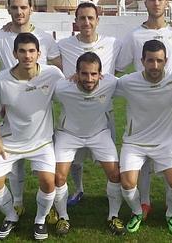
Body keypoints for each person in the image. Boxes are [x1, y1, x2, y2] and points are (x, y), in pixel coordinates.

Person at [115, 0, 172, 220]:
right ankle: (144, 202)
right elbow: (117, 68)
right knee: (142, 162)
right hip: (140, 106)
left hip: (170, 106)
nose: (156, 3)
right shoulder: (135, 35)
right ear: (145, 2)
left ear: (166, 2)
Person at [0, 0, 61, 217]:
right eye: (14, 7)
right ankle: (17, 202)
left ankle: (49, 207)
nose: (19, 12)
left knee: (45, 160)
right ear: (8, 10)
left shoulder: (45, 37)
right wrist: (1, 101)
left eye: (23, 7)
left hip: (38, 104)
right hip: (10, 103)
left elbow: (58, 68)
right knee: (14, 161)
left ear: (31, 9)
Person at [0, 33, 64, 240]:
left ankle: (40, 220)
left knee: (48, 182)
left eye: (31, 51)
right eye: (22, 51)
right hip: (9, 142)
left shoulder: (53, 74)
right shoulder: (1, 79)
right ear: (14, 54)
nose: (27, 56)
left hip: (42, 142)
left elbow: (69, 93)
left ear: (39, 53)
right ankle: (11, 216)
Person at [116, 40, 172, 235]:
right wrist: (76, 78)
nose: (154, 66)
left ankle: (171, 214)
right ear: (142, 61)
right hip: (134, 143)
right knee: (128, 183)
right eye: (150, 60)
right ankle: (137, 212)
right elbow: (101, 83)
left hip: (165, 142)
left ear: (166, 61)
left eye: (159, 61)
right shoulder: (128, 82)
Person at [51, 52, 124, 236]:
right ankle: (63, 217)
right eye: (84, 74)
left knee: (115, 174)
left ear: (101, 74)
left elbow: (137, 84)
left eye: (93, 74)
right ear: (76, 73)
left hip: (99, 134)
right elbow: (38, 96)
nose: (89, 79)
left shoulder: (111, 83)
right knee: (59, 177)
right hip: (68, 135)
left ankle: (113, 216)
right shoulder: (62, 87)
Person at [56, 2, 121, 208]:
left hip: (102, 110)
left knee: (108, 158)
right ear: (75, 21)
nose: (86, 22)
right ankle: (78, 189)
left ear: (97, 21)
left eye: (90, 18)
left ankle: (110, 193)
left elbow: (116, 73)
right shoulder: (64, 45)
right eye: (82, 18)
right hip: (73, 109)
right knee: (74, 159)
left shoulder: (113, 43)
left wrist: (102, 87)